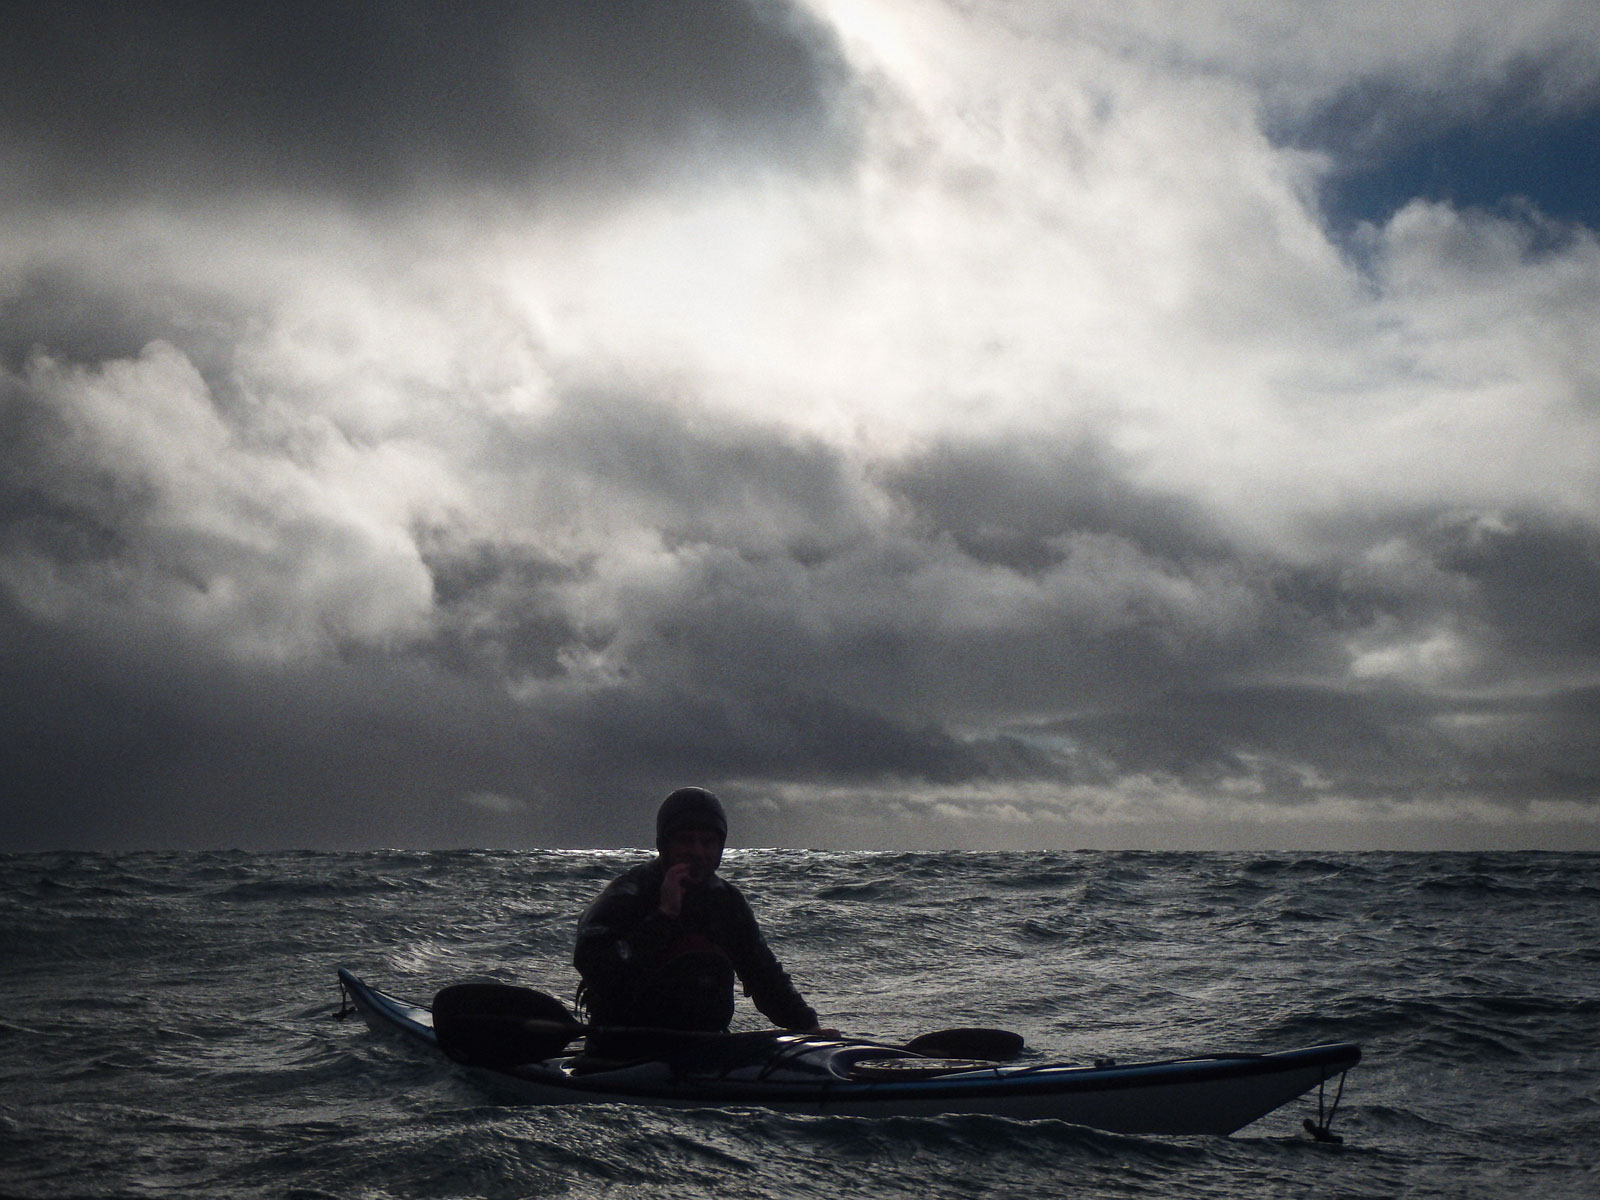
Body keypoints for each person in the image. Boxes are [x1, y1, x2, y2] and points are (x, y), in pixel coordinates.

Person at [573, 786, 825, 1034]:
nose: (697, 852)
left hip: (705, 1047)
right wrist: (664, 916)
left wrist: (807, 1024)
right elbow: (596, 969)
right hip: (627, 1047)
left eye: (707, 842)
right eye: (686, 841)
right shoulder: (627, 894)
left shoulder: (726, 902)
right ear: (664, 845)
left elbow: (764, 976)